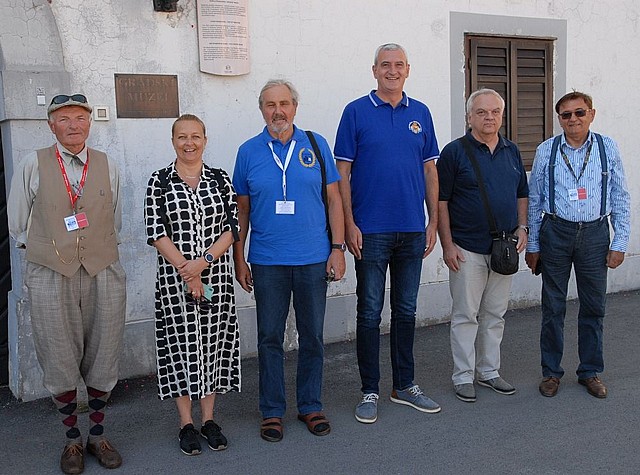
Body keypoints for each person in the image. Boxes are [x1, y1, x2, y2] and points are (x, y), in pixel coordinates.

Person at [8, 94, 126, 474]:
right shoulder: (33, 163)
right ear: (51, 125)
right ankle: (72, 439)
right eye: (64, 118)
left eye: (79, 118)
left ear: (89, 123)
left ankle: (98, 435)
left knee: (104, 354)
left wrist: (94, 248)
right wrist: (48, 250)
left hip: (102, 269)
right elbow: (17, 223)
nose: (73, 125)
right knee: (58, 357)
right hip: (50, 273)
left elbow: (115, 218)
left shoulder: (107, 164)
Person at [232, 79, 345, 442]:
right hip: (267, 261)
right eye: (270, 105)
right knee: (269, 337)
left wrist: (338, 247)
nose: (277, 111)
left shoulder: (316, 144)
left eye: (284, 103)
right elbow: (242, 210)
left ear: (295, 107)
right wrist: (239, 257)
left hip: (313, 257)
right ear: (261, 110)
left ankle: (310, 404)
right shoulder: (248, 152)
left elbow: (334, 200)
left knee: (312, 336)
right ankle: (272, 410)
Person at [334, 43, 440, 423]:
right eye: (385, 65)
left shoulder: (421, 113)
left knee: (406, 310)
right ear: (374, 70)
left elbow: (430, 170)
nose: (392, 71)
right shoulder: (355, 111)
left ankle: (404, 385)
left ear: (408, 69)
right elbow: (342, 173)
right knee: (369, 312)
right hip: (370, 231)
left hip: (411, 229)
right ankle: (369, 390)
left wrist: (432, 222)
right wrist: (349, 223)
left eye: (398, 65)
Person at [144, 114, 241, 455]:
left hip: (216, 278)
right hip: (175, 281)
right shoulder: (159, 181)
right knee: (180, 346)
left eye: (195, 136)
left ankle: (209, 420)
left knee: (212, 345)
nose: (189, 143)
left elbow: (232, 227)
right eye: (182, 137)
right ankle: (186, 423)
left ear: (205, 140)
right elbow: (155, 231)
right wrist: (189, 271)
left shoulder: (220, 179)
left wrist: (204, 262)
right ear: (173, 141)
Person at [526, 91, 630, 399]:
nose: (573, 119)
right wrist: (533, 244)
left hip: (595, 234)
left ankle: (590, 371)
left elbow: (620, 196)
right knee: (553, 306)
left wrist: (620, 241)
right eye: (566, 115)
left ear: (591, 114)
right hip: (556, 232)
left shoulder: (607, 147)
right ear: (559, 119)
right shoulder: (547, 150)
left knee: (594, 306)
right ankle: (551, 372)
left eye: (579, 112)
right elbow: (535, 200)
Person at [437, 89, 529, 403]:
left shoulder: (512, 150)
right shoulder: (454, 152)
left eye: (494, 112)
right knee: (466, 315)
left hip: (503, 248)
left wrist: (523, 227)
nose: (489, 117)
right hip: (466, 249)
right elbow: (441, 202)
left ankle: (489, 371)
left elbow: (521, 193)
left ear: (502, 116)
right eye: (481, 112)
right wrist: (447, 245)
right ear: (469, 117)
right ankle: (463, 376)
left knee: (495, 314)